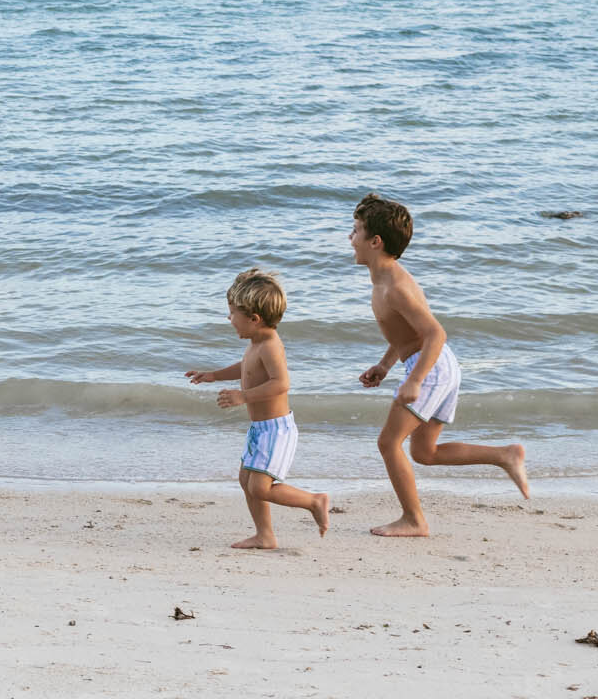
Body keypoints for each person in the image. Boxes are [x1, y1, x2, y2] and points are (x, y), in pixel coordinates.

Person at [352, 193, 529, 537]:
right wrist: (386, 365)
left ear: (375, 242)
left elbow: (435, 333)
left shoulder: (395, 288)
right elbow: (407, 335)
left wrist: (415, 380)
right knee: (425, 452)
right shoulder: (384, 279)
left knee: (388, 444)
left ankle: (414, 520)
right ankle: (505, 455)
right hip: (438, 365)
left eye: (356, 230)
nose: (350, 238)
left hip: (430, 366)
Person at [187, 268, 331, 549]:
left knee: (259, 487)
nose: (229, 320)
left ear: (254, 319)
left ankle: (315, 501)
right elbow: (247, 369)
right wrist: (214, 374)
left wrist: (243, 396)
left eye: (232, 315)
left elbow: (281, 383)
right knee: (246, 480)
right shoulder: (256, 342)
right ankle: (265, 535)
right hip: (260, 429)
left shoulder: (270, 345)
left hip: (277, 430)